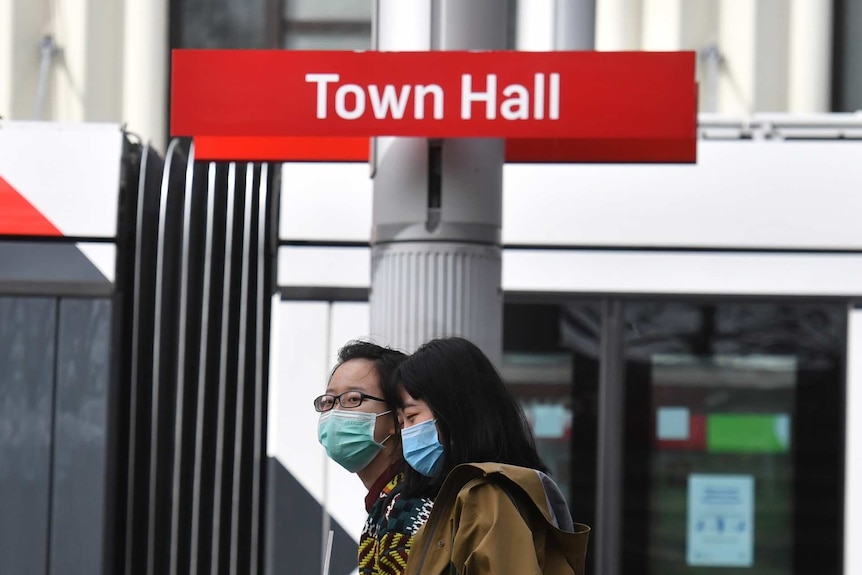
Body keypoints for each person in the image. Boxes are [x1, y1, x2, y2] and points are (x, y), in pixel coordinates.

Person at [394, 337, 590, 575]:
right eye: (401, 422)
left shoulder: (486, 498)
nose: (405, 432)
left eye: (412, 417)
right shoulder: (460, 498)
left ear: (455, 412)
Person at [314, 340, 434, 575]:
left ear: (397, 417)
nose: (335, 412)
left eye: (353, 399)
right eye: (328, 401)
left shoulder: (410, 505)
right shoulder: (385, 503)